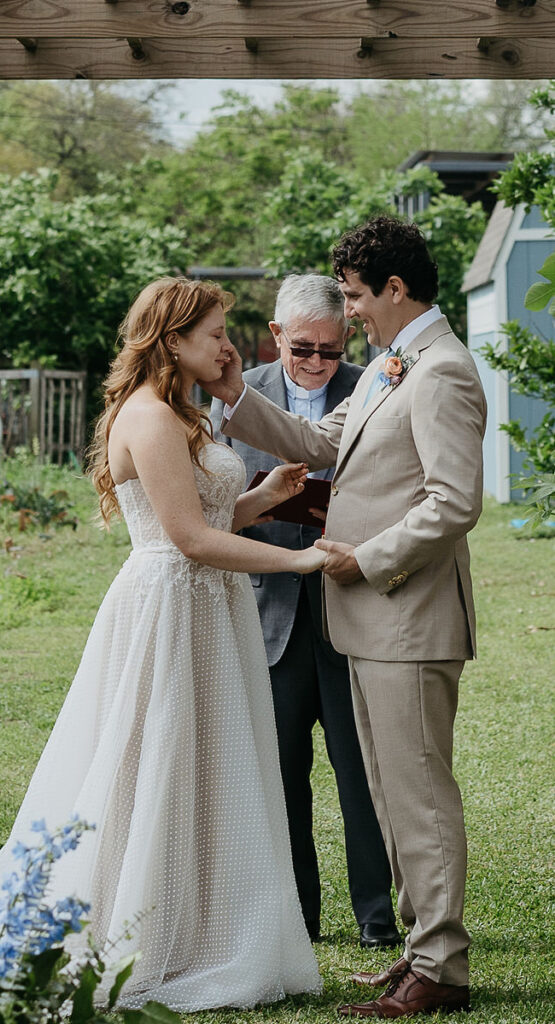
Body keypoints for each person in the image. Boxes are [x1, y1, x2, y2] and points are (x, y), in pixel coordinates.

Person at [0, 277, 325, 1011]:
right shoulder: (150, 417)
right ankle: (138, 932)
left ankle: (194, 928)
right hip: (169, 608)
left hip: (205, 605)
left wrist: (264, 500)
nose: (229, 348)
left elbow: (206, 514)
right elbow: (185, 539)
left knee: (201, 761)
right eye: (217, 334)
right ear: (173, 339)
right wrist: (299, 558)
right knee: (150, 759)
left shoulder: (183, 413)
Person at [204, 217, 487, 1018]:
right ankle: (417, 955)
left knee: (418, 795)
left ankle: (441, 968)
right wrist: (233, 395)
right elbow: (318, 442)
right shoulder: (388, 370)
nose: (350, 315)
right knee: (394, 795)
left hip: (408, 617)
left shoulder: (441, 373)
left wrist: (362, 557)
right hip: (367, 621)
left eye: (358, 298)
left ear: (394, 289)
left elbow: (454, 502)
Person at [210, 274, 398, 949]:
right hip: (269, 613)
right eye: (302, 350)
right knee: (280, 778)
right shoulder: (236, 393)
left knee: (361, 774)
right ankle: (298, 920)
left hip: (353, 605)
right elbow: (212, 497)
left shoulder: (375, 385)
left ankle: (378, 922)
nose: (317, 361)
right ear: (275, 337)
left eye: (329, 349)